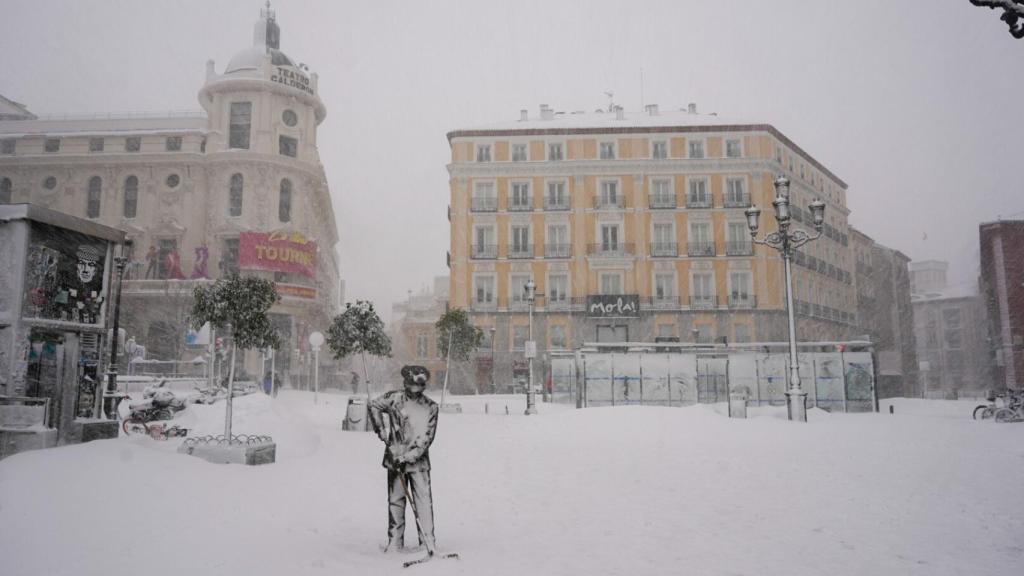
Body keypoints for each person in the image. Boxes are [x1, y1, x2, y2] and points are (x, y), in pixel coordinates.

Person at [368, 365, 439, 556]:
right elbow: (373, 406)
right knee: (396, 502)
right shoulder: (394, 399)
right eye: (412, 384)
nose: (415, 389)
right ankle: (394, 543)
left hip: (418, 464)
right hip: (394, 456)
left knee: (423, 502)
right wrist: (381, 430)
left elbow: (426, 439)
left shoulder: (431, 407)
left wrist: (407, 457)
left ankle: (427, 542)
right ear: (406, 383)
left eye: (419, 385)